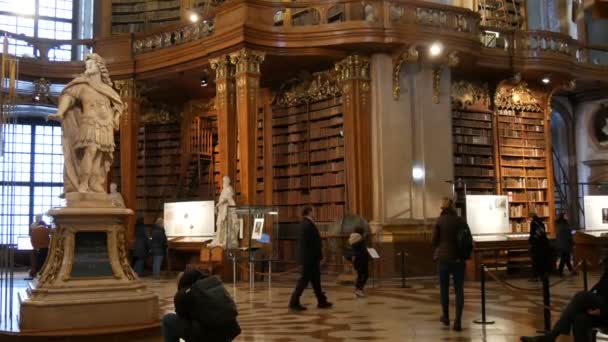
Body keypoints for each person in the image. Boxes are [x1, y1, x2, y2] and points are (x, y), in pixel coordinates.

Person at [48, 53, 123, 194]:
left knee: (100, 154)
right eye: (87, 64)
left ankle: (94, 183)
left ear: (99, 67)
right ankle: (83, 183)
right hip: (89, 121)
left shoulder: (107, 89)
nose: (88, 66)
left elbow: (118, 105)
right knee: (90, 151)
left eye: (91, 64)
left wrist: (116, 117)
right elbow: (68, 97)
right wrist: (60, 112)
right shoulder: (81, 85)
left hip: (105, 124)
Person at [521, 262, 608, 342]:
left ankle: (551, 336)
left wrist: (603, 310)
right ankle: (551, 336)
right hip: (602, 306)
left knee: (581, 296)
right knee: (580, 319)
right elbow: (601, 286)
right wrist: (590, 303)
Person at [162, 269, 241, 342]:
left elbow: (182, 317)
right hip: (231, 331)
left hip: (206, 336)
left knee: (168, 319)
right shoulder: (215, 284)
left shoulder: (184, 294)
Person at [288, 206, 333, 311]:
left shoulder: (305, 223)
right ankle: (293, 302)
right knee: (304, 280)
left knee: (316, 281)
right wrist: (319, 255)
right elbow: (313, 243)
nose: (315, 212)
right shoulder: (308, 224)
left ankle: (322, 301)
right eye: (313, 211)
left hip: (310, 257)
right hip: (309, 258)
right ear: (309, 212)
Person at [432, 198, 466, 332]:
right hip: (458, 258)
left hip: (444, 259)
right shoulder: (460, 220)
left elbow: (434, 241)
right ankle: (458, 321)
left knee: (444, 288)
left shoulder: (440, 221)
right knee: (459, 290)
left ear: (443, 208)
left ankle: (446, 317)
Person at [528, 212, 552, 282]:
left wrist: (530, 242)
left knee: (536, 261)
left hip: (537, 245)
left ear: (531, 217)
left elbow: (533, 234)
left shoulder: (533, 223)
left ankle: (535, 276)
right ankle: (543, 275)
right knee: (542, 261)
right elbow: (542, 233)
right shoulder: (541, 222)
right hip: (544, 244)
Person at [349, 226, 369, 298]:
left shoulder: (354, 239)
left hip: (357, 260)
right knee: (365, 275)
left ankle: (358, 289)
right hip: (361, 260)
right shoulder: (360, 240)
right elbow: (363, 250)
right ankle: (359, 289)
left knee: (360, 275)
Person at [555, 212, 574, 277]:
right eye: (566, 216)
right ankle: (560, 272)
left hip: (562, 243)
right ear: (563, 217)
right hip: (565, 244)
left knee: (566, 258)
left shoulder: (560, 224)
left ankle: (571, 270)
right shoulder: (564, 225)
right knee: (564, 258)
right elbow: (567, 235)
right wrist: (571, 241)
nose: (567, 217)